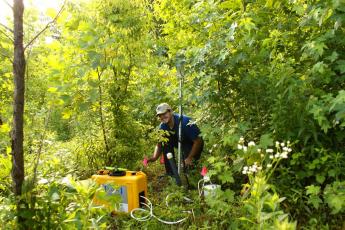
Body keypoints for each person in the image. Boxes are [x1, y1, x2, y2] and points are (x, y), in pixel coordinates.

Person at [147, 103, 204, 176]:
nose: (162, 117)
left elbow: (198, 141)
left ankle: (191, 172)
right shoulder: (162, 127)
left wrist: (190, 157)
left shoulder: (185, 122)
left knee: (189, 170)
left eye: (164, 113)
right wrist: (154, 158)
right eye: (160, 115)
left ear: (170, 111)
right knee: (165, 143)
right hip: (180, 141)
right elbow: (159, 145)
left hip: (193, 144)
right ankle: (171, 173)